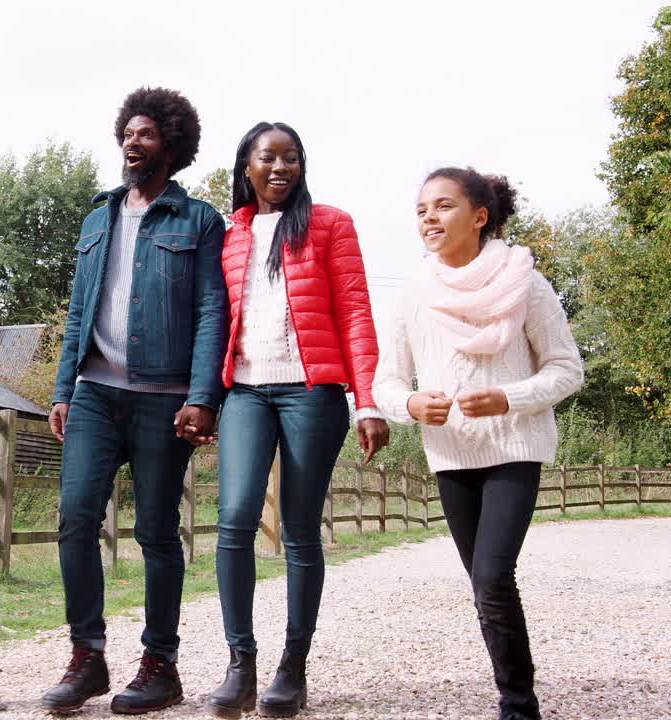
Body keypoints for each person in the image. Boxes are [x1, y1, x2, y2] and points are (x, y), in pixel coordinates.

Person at [39, 87, 228, 715]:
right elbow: (77, 312)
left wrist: (204, 397)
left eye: (146, 134)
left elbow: (210, 311)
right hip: (95, 391)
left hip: (163, 398)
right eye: (128, 132)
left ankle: (160, 664)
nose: (132, 142)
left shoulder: (199, 220)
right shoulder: (99, 217)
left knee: (155, 531)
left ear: (172, 146)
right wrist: (64, 388)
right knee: (73, 518)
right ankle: (87, 657)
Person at [373, 167, 583, 720]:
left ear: (480, 216)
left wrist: (508, 397)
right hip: (450, 455)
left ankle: (518, 703)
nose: (428, 219)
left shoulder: (527, 284)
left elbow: (568, 370)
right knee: (482, 585)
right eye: (421, 210)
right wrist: (411, 405)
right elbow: (386, 382)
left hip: (514, 448)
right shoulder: (413, 294)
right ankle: (514, 690)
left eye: (442, 207)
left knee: (492, 577)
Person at [204, 122, 389, 719]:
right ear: (247, 167)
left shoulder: (331, 224)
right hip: (247, 394)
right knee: (233, 518)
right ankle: (240, 665)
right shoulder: (228, 233)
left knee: (300, 530)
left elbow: (356, 311)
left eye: (291, 158)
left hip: (313, 392)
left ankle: (293, 667)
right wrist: (202, 397)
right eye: (268, 158)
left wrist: (367, 401)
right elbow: (212, 323)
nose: (280, 168)